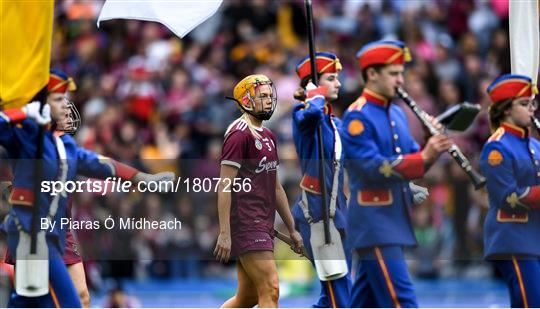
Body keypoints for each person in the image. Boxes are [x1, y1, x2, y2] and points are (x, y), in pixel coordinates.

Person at [2, 69, 174, 307]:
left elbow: (101, 164)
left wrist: (143, 178)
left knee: (76, 297)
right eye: (59, 99)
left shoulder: (65, 144)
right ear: (40, 106)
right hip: (31, 234)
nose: (66, 106)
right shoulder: (26, 138)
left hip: (58, 230)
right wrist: (24, 112)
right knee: (48, 301)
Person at [341, 40, 452, 307]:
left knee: (364, 301)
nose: (401, 80)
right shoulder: (357, 117)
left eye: (401, 73)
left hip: (393, 218)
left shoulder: (398, 114)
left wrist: (430, 142)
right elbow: (371, 168)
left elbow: (415, 159)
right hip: (374, 221)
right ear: (372, 74)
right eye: (393, 74)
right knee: (401, 300)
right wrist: (425, 154)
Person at [213, 74, 303, 308]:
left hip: (263, 223)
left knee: (248, 298)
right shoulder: (238, 134)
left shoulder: (269, 136)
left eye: (269, 95)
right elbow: (224, 186)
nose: (269, 100)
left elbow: (275, 187)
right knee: (271, 288)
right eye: (262, 96)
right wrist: (225, 232)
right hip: (246, 222)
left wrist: (292, 228)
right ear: (246, 100)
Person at [291, 52, 350, 308]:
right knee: (340, 295)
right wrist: (313, 97)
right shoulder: (304, 114)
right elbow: (309, 116)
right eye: (332, 78)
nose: (338, 83)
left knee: (332, 296)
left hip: (339, 211)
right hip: (318, 213)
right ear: (314, 83)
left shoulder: (334, 123)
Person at [480, 74, 540, 307]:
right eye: (524, 104)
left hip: (533, 237)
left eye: (532, 103)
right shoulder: (497, 146)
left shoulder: (534, 145)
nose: (531, 109)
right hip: (512, 238)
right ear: (505, 110)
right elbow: (508, 197)